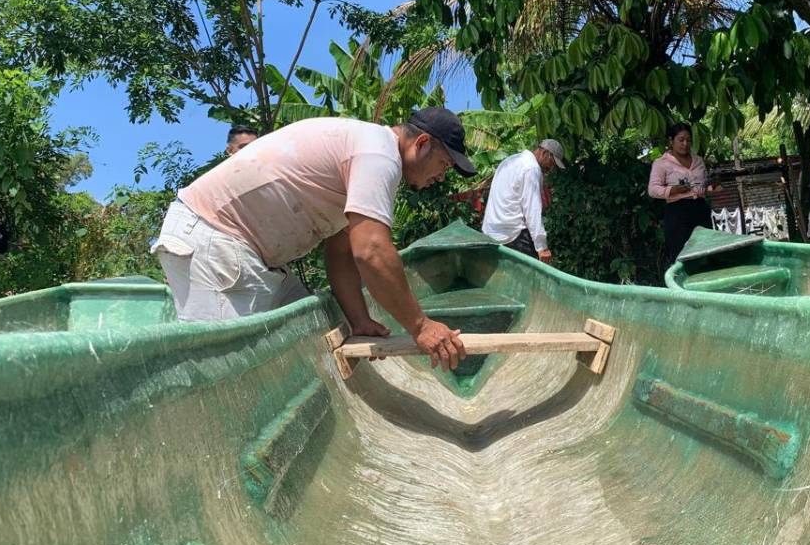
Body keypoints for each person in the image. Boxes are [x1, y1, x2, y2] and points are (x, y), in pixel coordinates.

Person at [151, 107, 476, 371]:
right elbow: (371, 250)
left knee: (311, 333)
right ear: (421, 144)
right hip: (214, 239)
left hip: (246, 254)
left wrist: (359, 321)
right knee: (226, 372)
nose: (441, 177)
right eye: (444, 164)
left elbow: (342, 250)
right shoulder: (379, 156)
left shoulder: (367, 149)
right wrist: (421, 327)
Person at [481, 139, 565, 262]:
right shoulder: (532, 169)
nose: (551, 168)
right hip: (512, 234)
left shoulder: (510, 161)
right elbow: (532, 210)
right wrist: (542, 247)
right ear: (544, 154)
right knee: (535, 274)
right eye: (552, 163)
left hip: (491, 232)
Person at [647, 122, 718, 261]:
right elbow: (652, 189)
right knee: (681, 255)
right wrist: (672, 190)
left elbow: (702, 187)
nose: (685, 144)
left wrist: (713, 186)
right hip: (677, 212)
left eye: (688, 140)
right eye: (681, 140)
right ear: (671, 141)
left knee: (707, 252)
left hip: (700, 209)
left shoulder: (698, 161)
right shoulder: (661, 163)